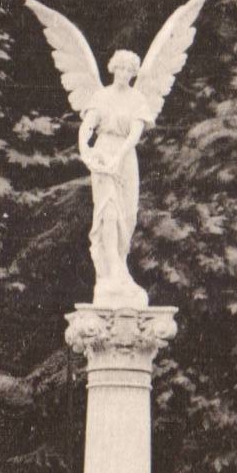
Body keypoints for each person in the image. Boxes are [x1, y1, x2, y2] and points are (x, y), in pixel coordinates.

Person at [77, 50, 155, 307]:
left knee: (128, 216)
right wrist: (86, 150)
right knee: (108, 211)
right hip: (103, 155)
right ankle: (112, 272)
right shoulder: (101, 96)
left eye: (129, 70)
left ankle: (120, 264)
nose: (123, 74)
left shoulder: (137, 99)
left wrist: (118, 158)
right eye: (120, 68)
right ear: (112, 69)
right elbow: (87, 126)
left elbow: (135, 133)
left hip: (125, 157)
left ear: (134, 73)